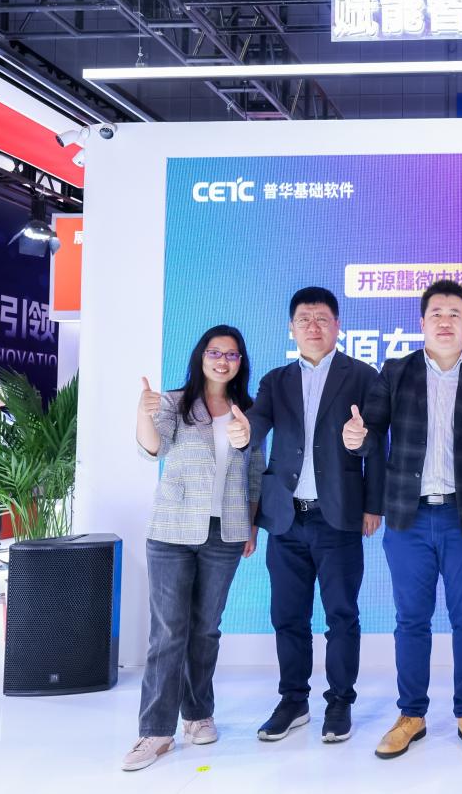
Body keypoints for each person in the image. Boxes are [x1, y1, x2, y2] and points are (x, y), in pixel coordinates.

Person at [342, 280, 462, 760]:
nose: (445, 321)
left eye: (454, 314)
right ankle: (411, 714)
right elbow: (372, 432)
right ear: (421, 323)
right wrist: (357, 438)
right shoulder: (396, 371)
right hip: (409, 517)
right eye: (436, 313)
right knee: (411, 620)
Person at [234, 287, 386, 745]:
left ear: (337, 325)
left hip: (338, 517)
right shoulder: (275, 381)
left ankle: (339, 702)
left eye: (322, 319)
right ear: (291, 328)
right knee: (288, 616)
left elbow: (378, 443)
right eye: (304, 319)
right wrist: (243, 431)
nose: (313, 327)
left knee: (341, 615)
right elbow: (258, 424)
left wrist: (373, 503)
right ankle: (293, 700)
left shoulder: (363, 375)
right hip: (286, 519)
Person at [124, 325, 264, 771]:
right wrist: (143, 413)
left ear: (240, 363)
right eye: (215, 352)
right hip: (172, 531)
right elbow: (153, 449)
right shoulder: (173, 402)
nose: (223, 361)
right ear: (201, 356)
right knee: (168, 631)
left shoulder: (249, 411)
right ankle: (155, 731)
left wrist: (251, 525)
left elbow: (255, 473)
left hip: (226, 533)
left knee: (206, 630)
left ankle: (198, 714)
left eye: (232, 354)